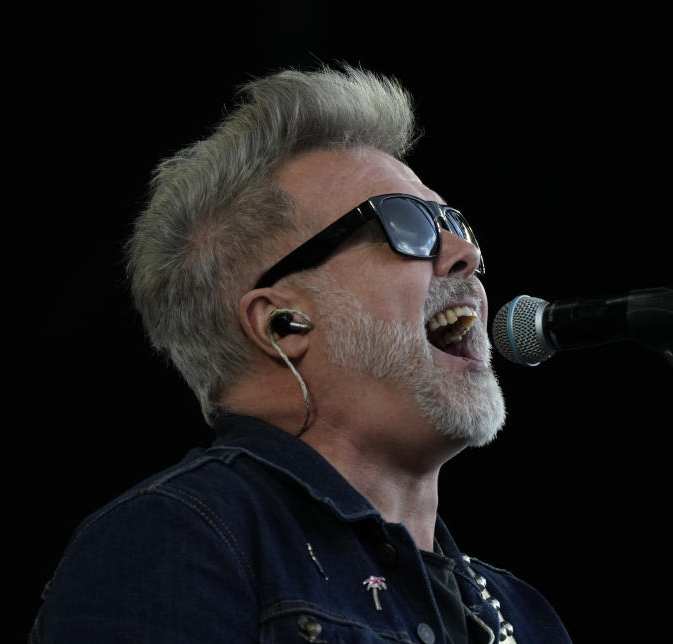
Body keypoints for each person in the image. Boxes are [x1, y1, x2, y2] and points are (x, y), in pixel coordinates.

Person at [29, 66, 572, 643]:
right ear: (283, 325)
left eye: (453, 222)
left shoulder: (522, 615)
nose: (464, 252)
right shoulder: (177, 538)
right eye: (408, 225)